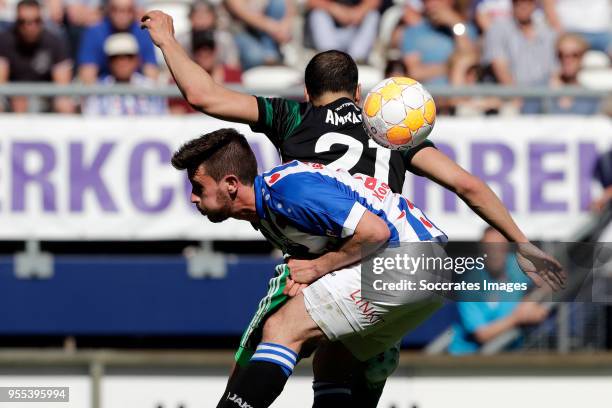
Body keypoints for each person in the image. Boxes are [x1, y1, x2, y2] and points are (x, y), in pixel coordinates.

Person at [141, 10, 565, 406]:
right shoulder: (390, 129)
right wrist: (521, 243)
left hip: (331, 262)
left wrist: (166, 39)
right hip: (391, 266)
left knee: (262, 352)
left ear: (308, 92)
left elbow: (204, 95)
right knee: (335, 366)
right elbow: (467, 185)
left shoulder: (293, 117)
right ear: (359, 93)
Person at [172, 129, 564, 408]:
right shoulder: (268, 208)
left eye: (198, 187)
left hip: (405, 259)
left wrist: (317, 268)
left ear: (229, 183)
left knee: (281, 329)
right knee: (332, 360)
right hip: (431, 272)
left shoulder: (286, 190)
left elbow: (374, 232)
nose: (192, 197)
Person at [449, 227, 548, 354]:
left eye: (500, 248)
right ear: (481, 250)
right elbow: (482, 334)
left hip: (510, 353)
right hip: (470, 359)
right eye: (489, 249)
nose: (495, 253)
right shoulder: (469, 284)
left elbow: (552, 279)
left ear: (507, 249)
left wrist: (532, 300)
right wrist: (518, 317)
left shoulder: (517, 266)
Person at [483, 0, 557, 113]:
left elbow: (554, 70)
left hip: (543, 94)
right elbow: (499, 65)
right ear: (512, 5)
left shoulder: (546, 31)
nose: (523, 6)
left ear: (534, 4)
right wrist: (516, 96)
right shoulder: (499, 28)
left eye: (528, 2)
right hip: (512, 95)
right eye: (518, 2)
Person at [0, 0, 74, 113]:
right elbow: (1, 84)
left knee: (65, 104)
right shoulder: (4, 41)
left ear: (42, 21)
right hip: (12, 97)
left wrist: (38, 97)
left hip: (46, 97)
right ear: (16, 22)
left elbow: (62, 87)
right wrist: (16, 96)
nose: (30, 26)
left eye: (36, 21)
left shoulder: (54, 42)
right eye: (23, 22)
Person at [81, 33, 166, 115]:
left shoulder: (151, 89)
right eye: (115, 57)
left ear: (137, 60)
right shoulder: (97, 92)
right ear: (108, 61)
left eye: (128, 56)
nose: (122, 62)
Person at [77, 0, 157, 84]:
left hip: (138, 91)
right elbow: (87, 78)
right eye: (116, 10)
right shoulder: (94, 32)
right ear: (108, 10)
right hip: (103, 92)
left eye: (128, 10)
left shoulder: (143, 32)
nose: (122, 15)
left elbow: (151, 77)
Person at [400, 0, 477, 85]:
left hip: (463, 92)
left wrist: (454, 23)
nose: (432, 5)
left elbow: (471, 59)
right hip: (431, 93)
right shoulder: (413, 32)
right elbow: (415, 72)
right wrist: (451, 67)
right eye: (427, 1)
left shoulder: (465, 28)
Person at [224, 0, 295, 70]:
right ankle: (270, 58)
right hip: (240, 32)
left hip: (270, 33)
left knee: (278, 3)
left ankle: (271, 55)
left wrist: (285, 26)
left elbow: (289, 5)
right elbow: (241, 12)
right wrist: (274, 28)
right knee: (255, 56)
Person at [307, 0, 381, 63]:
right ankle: (330, 58)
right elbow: (310, 2)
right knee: (318, 14)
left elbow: (375, 2)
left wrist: (358, 12)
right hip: (330, 33)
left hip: (355, 32)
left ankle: (358, 60)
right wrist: (335, 9)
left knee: (373, 15)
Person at [549, 33, 600, 115]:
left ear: (583, 57)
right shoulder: (538, 93)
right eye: (561, 55)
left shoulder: (591, 98)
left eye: (575, 55)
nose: (567, 60)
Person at [542, 0, 611, 55]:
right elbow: (549, 5)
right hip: (570, 31)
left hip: (601, 31)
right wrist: (561, 34)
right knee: (566, 54)